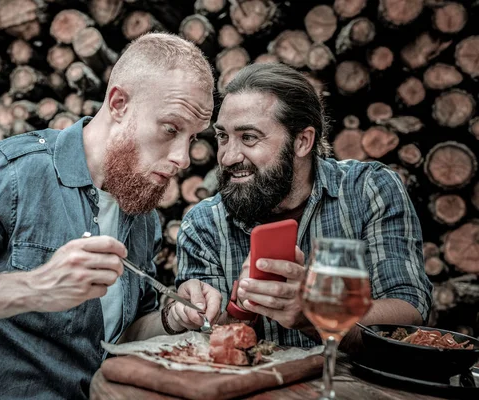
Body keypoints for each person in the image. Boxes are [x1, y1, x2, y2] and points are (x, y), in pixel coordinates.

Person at [0, 33, 221, 400]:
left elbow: (118, 336)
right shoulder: (14, 174)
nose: (183, 158)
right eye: (170, 129)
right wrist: (37, 287)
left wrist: (172, 318)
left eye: (191, 139)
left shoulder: (139, 210)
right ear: (118, 102)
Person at [176, 63, 432, 350]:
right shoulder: (203, 223)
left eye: (248, 137)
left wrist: (313, 314)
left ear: (302, 141)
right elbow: (209, 343)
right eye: (223, 137)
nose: (228, 157)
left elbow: (410, 311)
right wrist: (240, 307)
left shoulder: (369, 190)